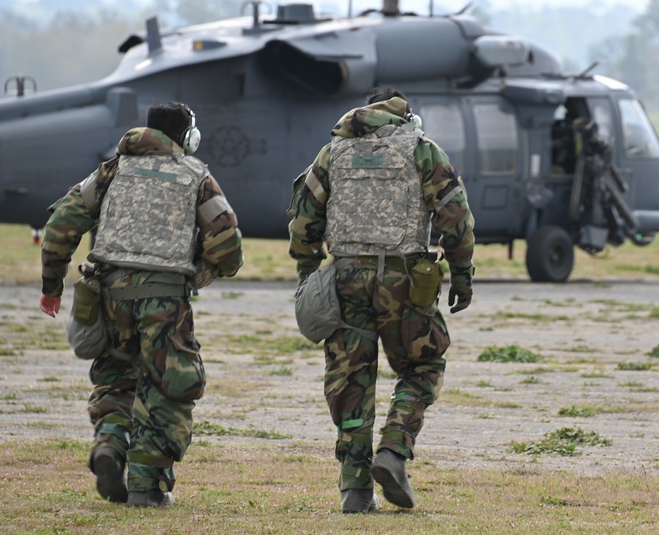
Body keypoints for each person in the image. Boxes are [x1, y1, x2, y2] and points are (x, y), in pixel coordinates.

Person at [38, 101, 243, 508]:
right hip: (165, 300)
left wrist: (52, 285)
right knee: (168, 387)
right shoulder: (195, 175)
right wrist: (200, 274)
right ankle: (146, 487)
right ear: (186, 137)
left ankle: (111, 445)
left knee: (117, 373)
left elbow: (61, 224)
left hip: (108, 293)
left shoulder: (110, 171)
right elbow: (227, 245)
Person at [287, 86, 475, 513]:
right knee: (423, 365)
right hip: (404, 281)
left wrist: (307, 274)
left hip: (345, 278)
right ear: (404, 114)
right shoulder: (421, 150)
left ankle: (355, 489)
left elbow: (304, 221)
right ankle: (393, 448)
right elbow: (455, 216)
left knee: (351, 378)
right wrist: (461, 275)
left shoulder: (332, 153)